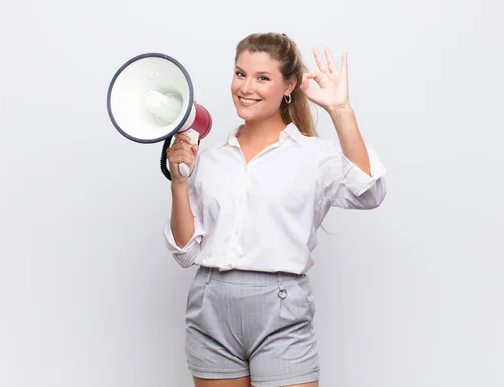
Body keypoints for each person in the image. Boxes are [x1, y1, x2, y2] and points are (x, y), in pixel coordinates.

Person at [163, 32, 387, 387]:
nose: (246, 87)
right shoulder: (212, 158)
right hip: (210, 305)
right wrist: (178, 182)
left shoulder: (314, 156)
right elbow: (185, 252)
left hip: (281, 308)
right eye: (240, 74)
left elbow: (370, 193)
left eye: (262, 77)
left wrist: (340, 110)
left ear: (289, 86)